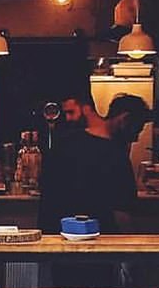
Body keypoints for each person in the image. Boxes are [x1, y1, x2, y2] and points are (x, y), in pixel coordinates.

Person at [39, 92, 151, 235]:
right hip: (100, 240)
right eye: (136, 129)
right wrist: (136, 248)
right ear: (124, 119)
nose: (135, 138)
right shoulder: (116, 156)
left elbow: (47, 194)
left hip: (59, 235)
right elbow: (122, 214)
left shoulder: (65, 143)